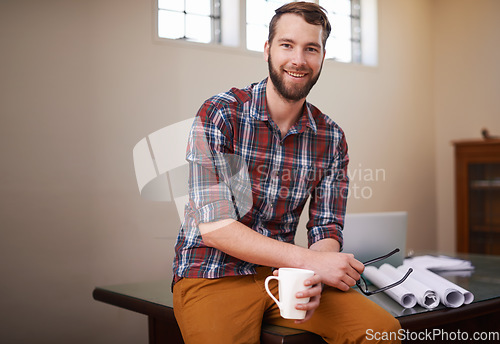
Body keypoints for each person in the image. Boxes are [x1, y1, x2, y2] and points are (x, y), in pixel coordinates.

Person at [172, 2, 401, 343]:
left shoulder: (331, 137)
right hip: (211, 273)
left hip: (288, 275)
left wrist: (313, 272)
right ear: (267, 49)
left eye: (311, 48)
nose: (299, 60)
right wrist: (309, 261)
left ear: (322, 56)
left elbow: (326, 225)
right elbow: (216, 228)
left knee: (382, 333)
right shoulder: (221, 114)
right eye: (287, 45)